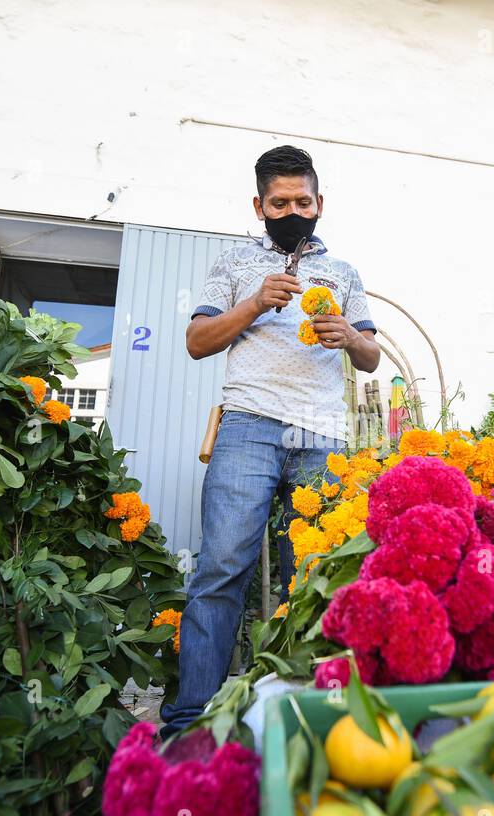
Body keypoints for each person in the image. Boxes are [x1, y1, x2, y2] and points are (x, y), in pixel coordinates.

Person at [160, 145, 381, 736]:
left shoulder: (345, 274)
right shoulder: (233, 263)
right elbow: (198, 341)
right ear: (258, 205)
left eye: (302, 202)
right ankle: (191, 721)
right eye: (279, 202)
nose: (292, 211)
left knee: (312, 576)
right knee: (221, 568)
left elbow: (372, 356)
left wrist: (348, 338)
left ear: (320, 203)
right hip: (248, 426)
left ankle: (306, 713)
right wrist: (256, 302)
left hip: (322, 432)